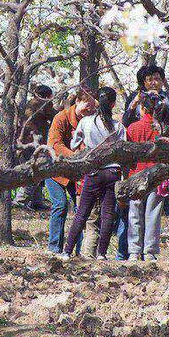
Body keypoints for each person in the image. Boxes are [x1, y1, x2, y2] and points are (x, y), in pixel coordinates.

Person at [123, 64, 169, 245]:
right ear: (143, 83)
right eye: (149, 80)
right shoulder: (136, 97)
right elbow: (126, 122)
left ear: (162, 80)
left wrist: (164, 107)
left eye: (157, 78)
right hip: (143, 151)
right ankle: (131, 241)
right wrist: (134, 105)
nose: (154, 82)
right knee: (138, 196)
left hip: (168, 148)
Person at [60, 87, 126, 260]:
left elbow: (74, 145)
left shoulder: (86, 122)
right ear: (113, 104)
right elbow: (123, 148)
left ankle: (67, 251)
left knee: (82, 212)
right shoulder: (118, 126)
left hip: (94, 170)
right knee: (107, 214)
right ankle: (102, 253)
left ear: (97, 102)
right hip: (113, 171)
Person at [45, 87, 97, 254]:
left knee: (81, 209)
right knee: (60, 204)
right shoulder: (61, 118)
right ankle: (54, 248)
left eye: (92, 107)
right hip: (55, 169)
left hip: (76, 172)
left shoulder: (91, 120)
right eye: (86, 106)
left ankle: (76, 249)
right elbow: (55, 144)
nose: (89, 110)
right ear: (77, 102)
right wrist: (76, 156)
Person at [125, 92, 168, 261]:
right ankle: (149, 251)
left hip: (136, 175)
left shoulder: (132, 128)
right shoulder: (162, 129)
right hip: (156, 175)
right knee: (153, 215)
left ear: (142, 108)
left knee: (134, 214)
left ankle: (134, 251)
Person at [13, 84, 56, 211]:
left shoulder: (31, 103)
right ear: (47, 96)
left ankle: (37, 201)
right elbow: (54, 116)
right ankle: (20, 200)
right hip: (33, 143)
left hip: (24, 143)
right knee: (36, 170)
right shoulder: (43, 103)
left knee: (38, 169)